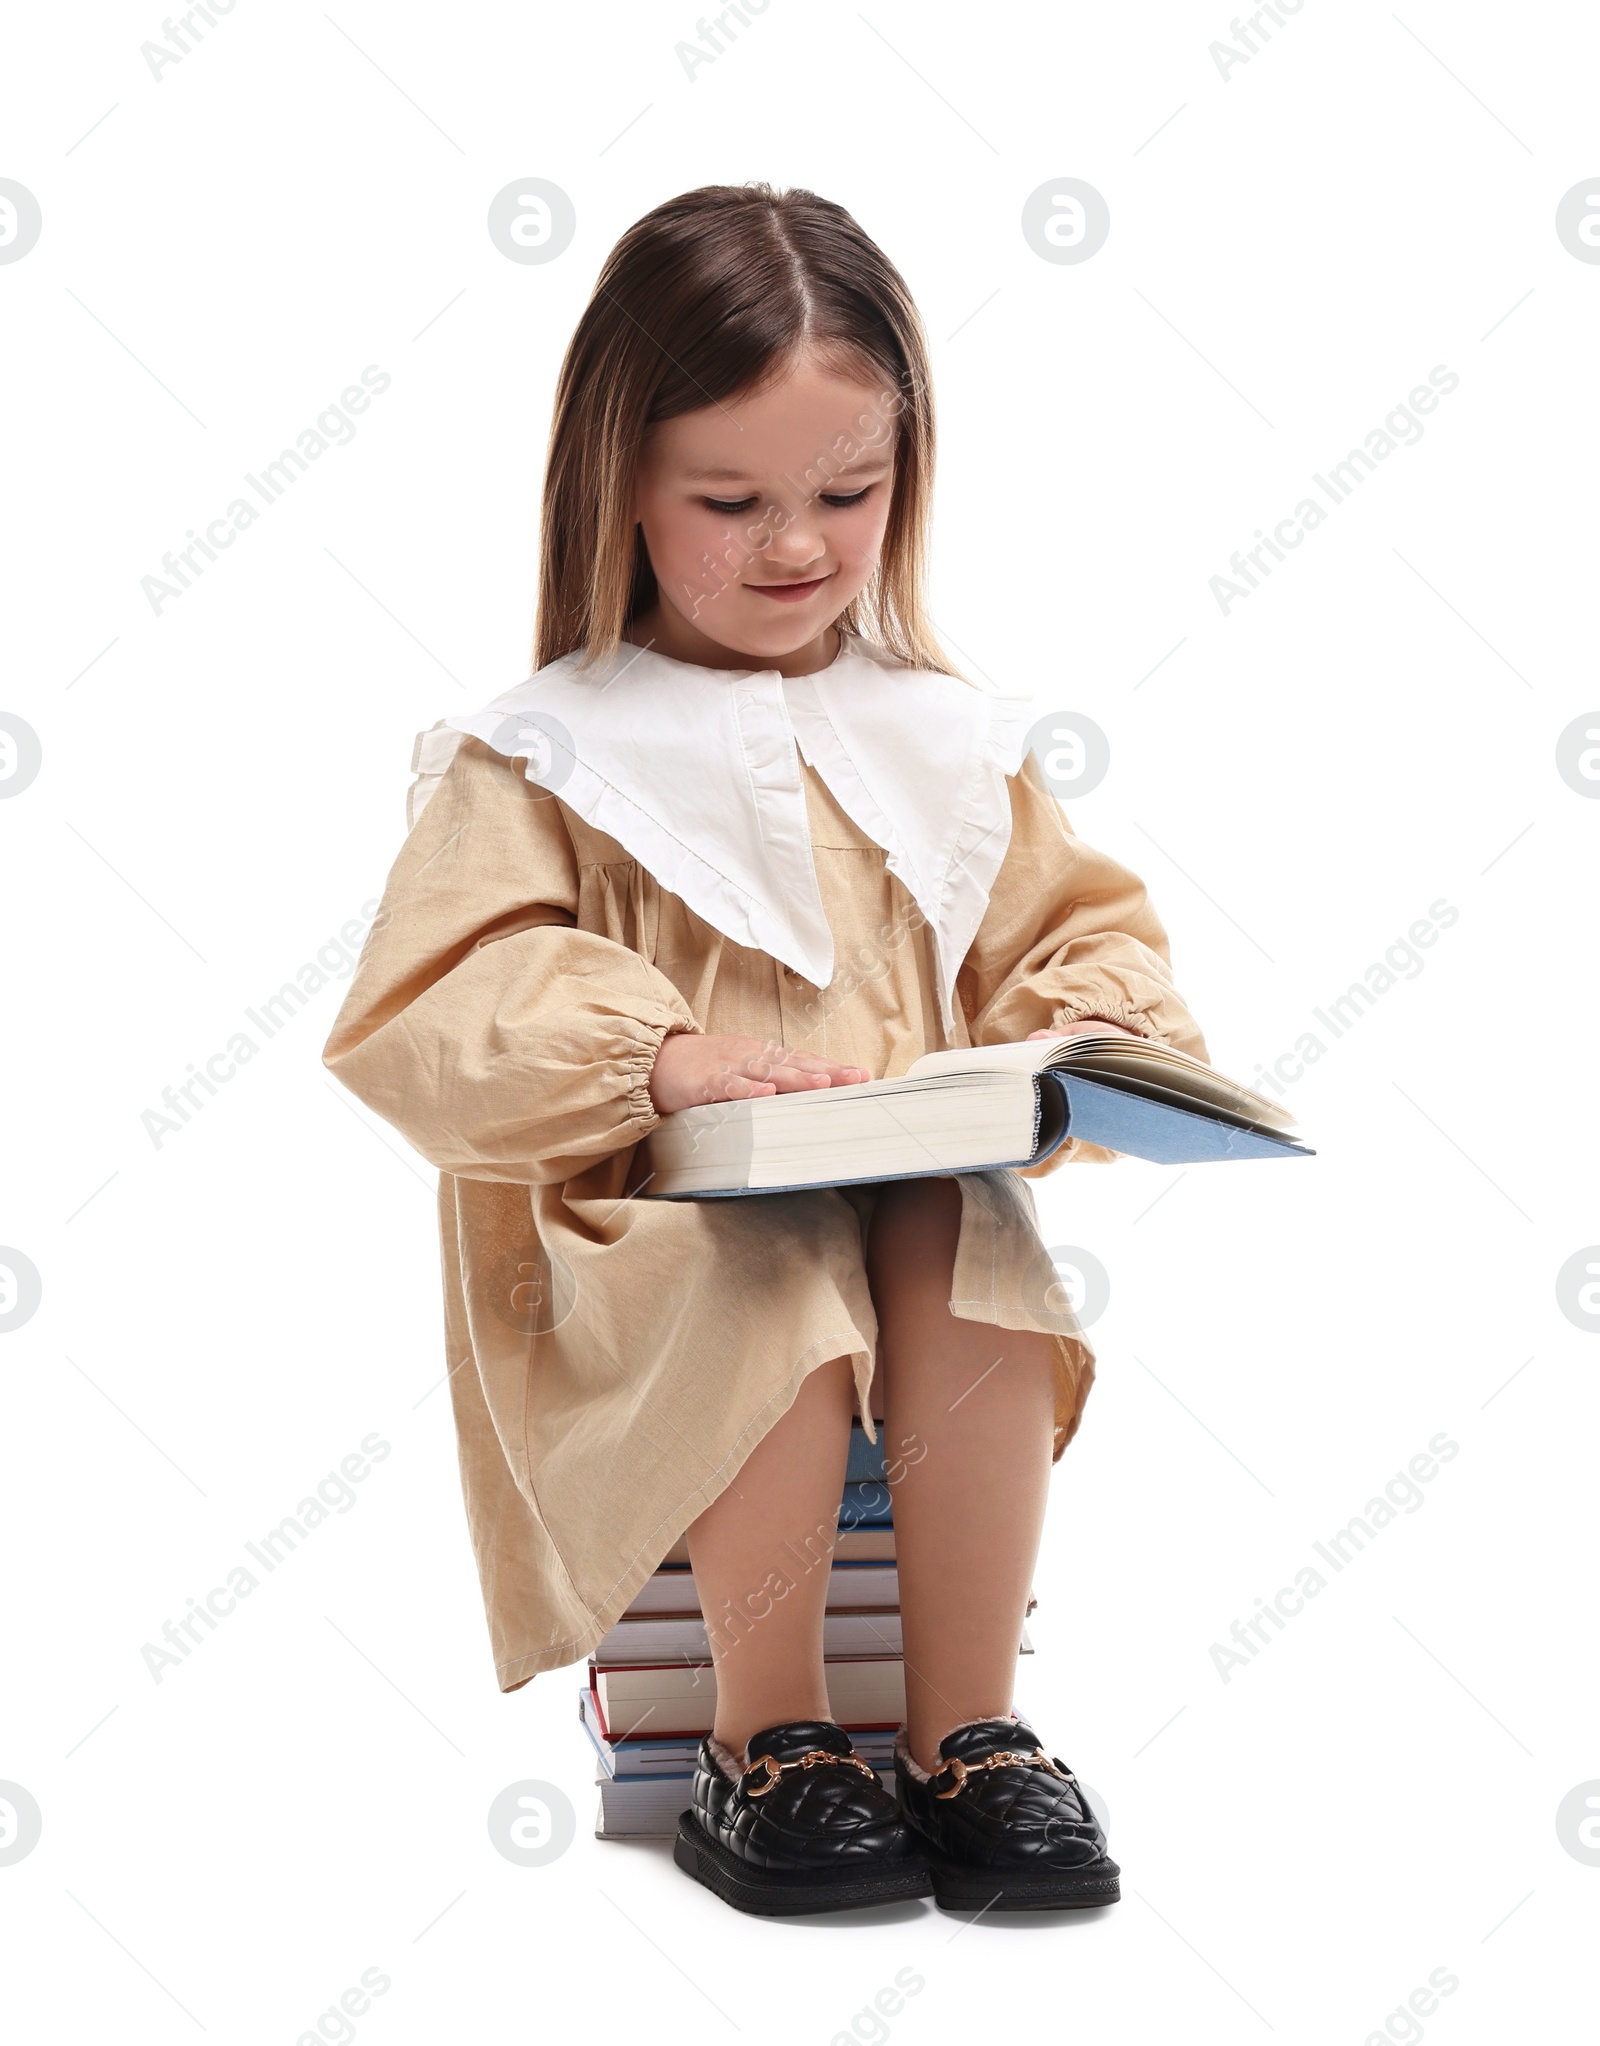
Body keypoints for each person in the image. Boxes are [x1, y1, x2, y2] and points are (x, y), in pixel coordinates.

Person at [322, 181, 1208, 1917]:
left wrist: (1085, 1023)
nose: (795, 543)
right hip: (643, 1254)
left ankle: (973, 1732)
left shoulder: (945, 744)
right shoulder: (545, 755)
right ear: (619, 487)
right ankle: (769, 1734)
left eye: (846, 493)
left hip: (906, 1213)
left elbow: (1076, 928)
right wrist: (655, 1058)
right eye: (729, 501)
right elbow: (430, 1012)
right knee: (774, 1254)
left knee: (970, 1239)